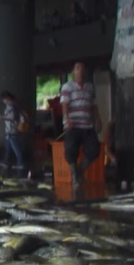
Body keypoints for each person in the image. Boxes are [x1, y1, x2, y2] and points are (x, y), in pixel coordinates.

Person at [59, 62, 101, 198]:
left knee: (94, 149)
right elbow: (65, 103)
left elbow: (93, 105)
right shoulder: (67, 87)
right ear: (73, 72)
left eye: (83, 69)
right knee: (71, 150)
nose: (80, 71)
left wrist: (98, 119)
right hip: (73, 124)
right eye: (77, 69)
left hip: (87, 124)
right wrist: (66, 119)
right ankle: (75, 178)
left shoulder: (90, 87)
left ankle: (80, 170)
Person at [0, 91, 29, 176]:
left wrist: (2, 117)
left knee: (16, 149)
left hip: (12, 131)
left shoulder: (12, 107)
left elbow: (12, 118)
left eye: (4, 99)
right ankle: (5, 162)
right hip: (10, 131)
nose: (3, 101)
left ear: (8, 99)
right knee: (8, 148)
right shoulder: (11, 106)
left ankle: (21, 164)